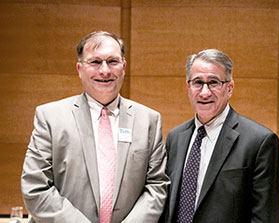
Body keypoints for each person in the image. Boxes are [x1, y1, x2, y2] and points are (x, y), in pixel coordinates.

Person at [21, 31, 169, 223]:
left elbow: (157, 186)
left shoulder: (149, 120)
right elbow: (35, 188)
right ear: (80, 69)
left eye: (112, 61)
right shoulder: (50, 117)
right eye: (95, 62)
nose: (105, 71)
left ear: (123, 66)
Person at [160, 49, 279, 223]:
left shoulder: (260, 142)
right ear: (188, 87)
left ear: (230, 88)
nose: (205, 92)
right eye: (198, 82)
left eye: (214, 82)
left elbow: (267, 217)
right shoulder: (175, 137)